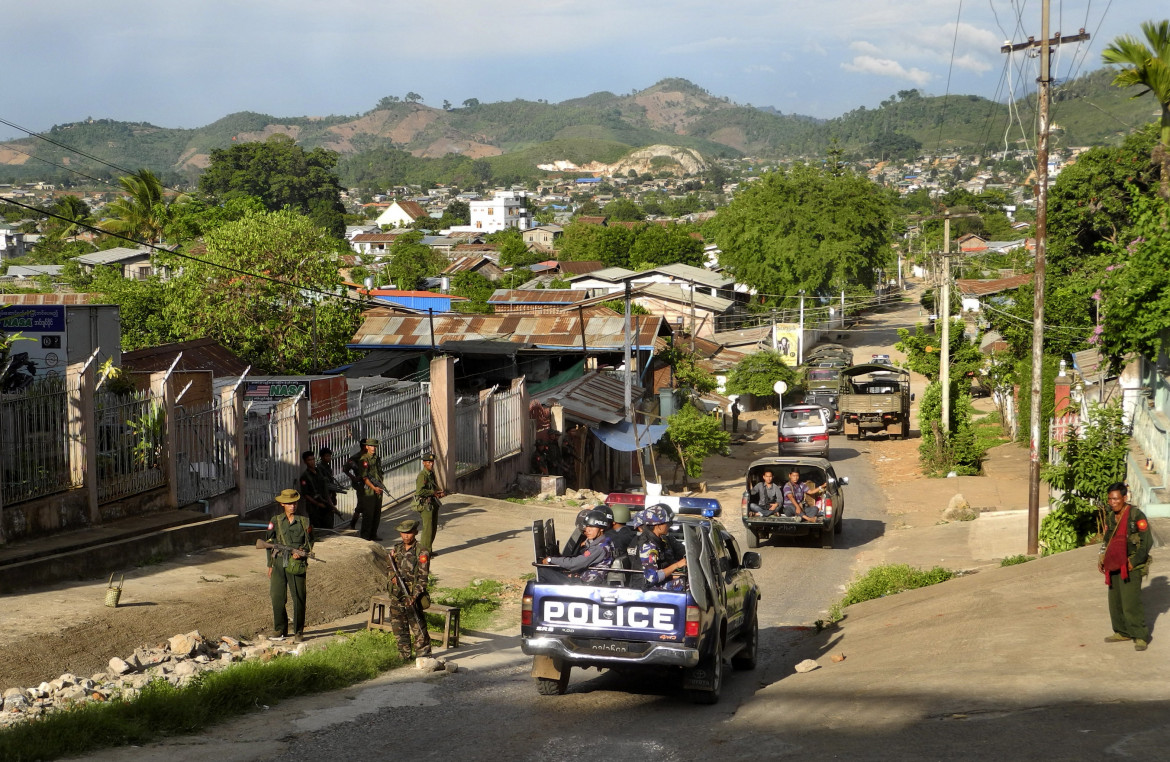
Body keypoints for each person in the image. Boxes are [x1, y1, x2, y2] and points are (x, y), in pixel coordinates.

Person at [1098, 482, 1153, 651]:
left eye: (1115, 499)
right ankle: (1122, 631)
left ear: (1124, 498)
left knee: (1130, 602)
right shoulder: (1110, 516)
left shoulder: (1136, 515)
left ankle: (1140, 635)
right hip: (1114, 562)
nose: (1112, 502)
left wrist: (1133, 561)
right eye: (1109, 499)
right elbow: (1107, 539)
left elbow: (1146, 542)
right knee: (1115, 601)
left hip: (1131, 564)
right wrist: (1102, 557)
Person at [266, 489, 313, 643]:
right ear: (282, 504)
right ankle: (280, 629)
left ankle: (298, 631)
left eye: (294, 503)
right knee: (277, 597)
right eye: (288, 504)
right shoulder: (276, 520)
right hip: (279, 563)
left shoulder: (304, 521)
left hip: (296, 564)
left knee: (299, 598)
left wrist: (302, 551)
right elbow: (269, 544)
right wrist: (270, 564)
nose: (292, 506)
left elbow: (310, 541)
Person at [387, 519, 432, 660]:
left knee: (418, 626)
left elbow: (423, 577)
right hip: (397, 594)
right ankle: (404, 654)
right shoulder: (397, 549)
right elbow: (389, 567)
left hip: (412, 594)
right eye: (403, 533)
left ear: (415, 533)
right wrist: (392, 576)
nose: (406, 536)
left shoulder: (422, 551)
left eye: (409, 533)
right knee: (398, 626)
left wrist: (414, 596)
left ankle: (423, 654)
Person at [541, 509, 615, 585]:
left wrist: (550, 560)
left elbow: (574, 563)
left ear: (602, 528)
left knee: (543, 571)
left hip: (587, 583)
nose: (587, 530)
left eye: (592, 527)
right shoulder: (605, 541)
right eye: (587, 527)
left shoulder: (599, 547)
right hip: (588, 578)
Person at [635, 504, 687, 591]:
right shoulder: (648, 545)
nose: (669, 526)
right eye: (667, 523)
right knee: (686, 584)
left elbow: (662, 569)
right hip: (651, 589)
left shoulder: (658, 541)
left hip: (658, 584)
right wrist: (677, 565)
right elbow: (652, 577)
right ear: (658, 525)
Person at [344, 438, 384, 542]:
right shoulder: (361, 458)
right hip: (365, 488)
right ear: (365, 446)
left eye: (375, 446)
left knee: (376, 512)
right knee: (367, 512)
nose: (373, 448)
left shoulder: (376, 458)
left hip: (376, 487)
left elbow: (379, 473)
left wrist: (379, 486)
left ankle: (373, 534)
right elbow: (362, 476)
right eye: (371, 446)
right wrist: (354, 478)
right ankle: (364, 535)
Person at [415, 453, 445, 551]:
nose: (431, 464)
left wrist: (439, 492)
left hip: (433, 503)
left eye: (432, 462)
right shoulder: (422, 476)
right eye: (428, 462)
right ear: (424, 463)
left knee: (433, 528)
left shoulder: (431, 474)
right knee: (427, 530)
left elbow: (434, 486)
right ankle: (423, 551)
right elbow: (419, 491)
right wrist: (432, 492)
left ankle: (429, 550)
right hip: (425, 504)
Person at [297, 450, 334, 530]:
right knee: (318, 529)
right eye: (309, 460)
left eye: (313, 459)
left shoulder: (320, 471)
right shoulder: (305, 477)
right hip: (314, 508)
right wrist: (318, 504)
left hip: (325, 503)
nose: (312, 462)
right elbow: (306, 494)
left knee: (329, 528)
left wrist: (330, 503)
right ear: (305, 462)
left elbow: (325, 488)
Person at [316, 447, 347, 522]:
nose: (329, 458)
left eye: (329, 456)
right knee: (326, 519)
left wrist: (334, 496)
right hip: (324, 496)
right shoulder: (320, 468)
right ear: (321, 457)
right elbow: (324, 484)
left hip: (330, 494)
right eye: (326, 456)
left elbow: (331, 483)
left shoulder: (327, 467)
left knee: (330, 517)